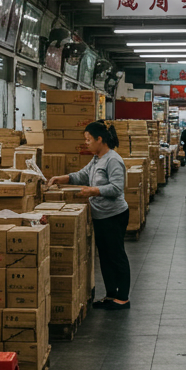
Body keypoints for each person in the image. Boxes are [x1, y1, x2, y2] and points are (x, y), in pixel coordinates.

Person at [47, 121, 132, 310]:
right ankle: (111, 295)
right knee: (105, 256)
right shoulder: (96, 159)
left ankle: (123, 298)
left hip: (114, 215)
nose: (86, 143)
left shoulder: (113, 160)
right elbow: (82, 175)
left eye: (88, 139)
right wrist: (63, 178)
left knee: (116, 255)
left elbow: (117, 188)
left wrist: (93, 191)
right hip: (100, 215)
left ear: (99, 139)